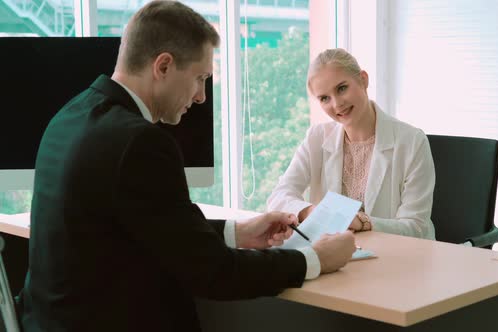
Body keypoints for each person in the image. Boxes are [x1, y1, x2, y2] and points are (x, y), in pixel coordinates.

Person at [17, 2, 355, 331]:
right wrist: (315, 259)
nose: (201, 96)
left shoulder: (71, 114)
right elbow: (215, 274)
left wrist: (238, 232)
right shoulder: (140, 142)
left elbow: (150, 223)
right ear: (163, 66)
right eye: (200, 78)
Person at [267, 48, 436, 240]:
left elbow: (416, 227)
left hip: (401, 256)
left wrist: (363, 222)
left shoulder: (412, 141)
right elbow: (278, 196)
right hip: (340, 254)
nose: (337, 104)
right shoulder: (317, 137)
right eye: (324, 98)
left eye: (342, 88)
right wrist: (310, 211)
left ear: (363, 80)